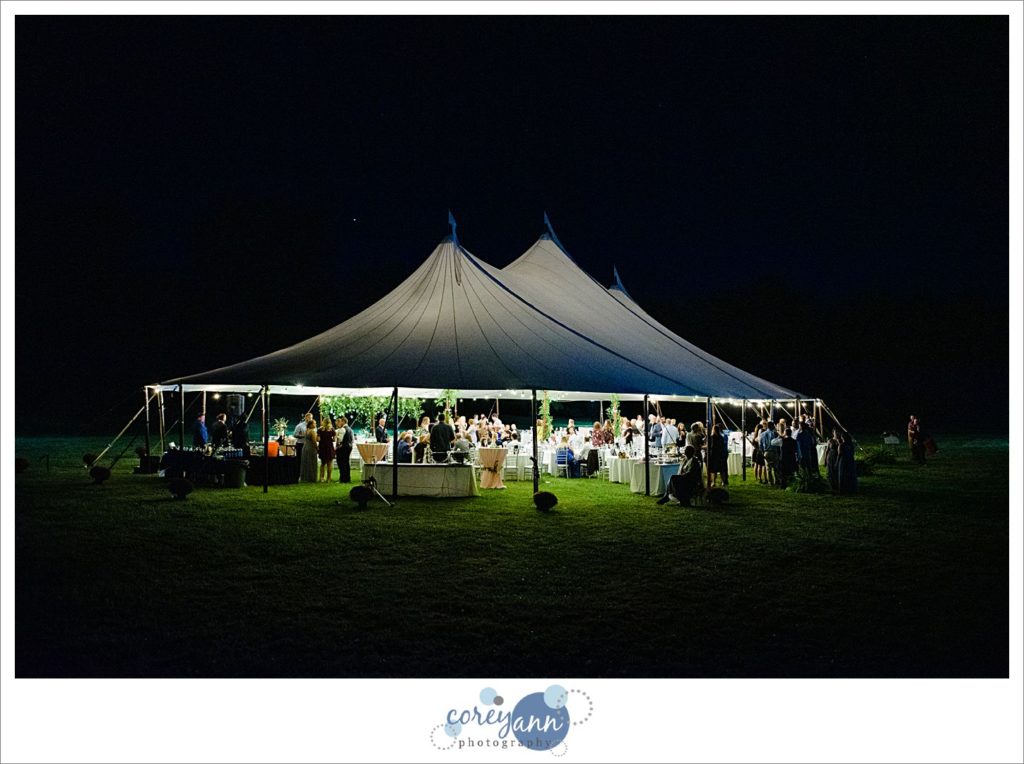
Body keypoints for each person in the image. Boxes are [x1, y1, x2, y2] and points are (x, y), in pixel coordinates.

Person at [707, 422, 728, 488]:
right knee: (722, 469)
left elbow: (711, 446)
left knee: (713, 470)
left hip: (713, 455)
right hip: (720, 455)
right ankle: (723, 482)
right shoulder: (721, 437)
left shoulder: (711, 437)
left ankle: (713, 482)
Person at [334, 416, 354, 483]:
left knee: (342, 463)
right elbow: (352, 439)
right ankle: (347, 478)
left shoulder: (343, 429)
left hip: (343, 448)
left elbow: (340, 440)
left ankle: (343, 479)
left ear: (343, 421)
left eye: (341, 421)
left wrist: (337, 446)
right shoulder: (350, 429)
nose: (340, 422)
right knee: (346, 463)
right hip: (349, 447)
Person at [317, 417, 335, 482]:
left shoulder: (320, 429)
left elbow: (318, 439)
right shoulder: (332, 429)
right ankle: (328, 478)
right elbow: (334, 439)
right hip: (329, 447)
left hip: (322, 447)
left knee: (323, 463)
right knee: (329, 463)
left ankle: (321, 478)